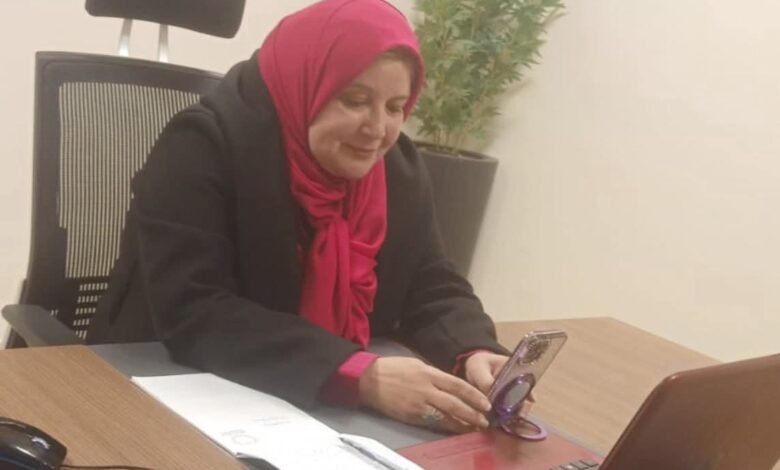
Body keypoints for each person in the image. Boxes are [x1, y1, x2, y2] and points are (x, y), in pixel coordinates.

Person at [87, 0, 525, 434]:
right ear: (306, 84)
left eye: (395, 107)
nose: (377, 130)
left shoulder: (395, 168)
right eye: (355, 100)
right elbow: (196, 311)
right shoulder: (202, 144)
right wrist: (361, 375)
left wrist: (473, 349)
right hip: (161, 389)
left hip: (306, 410)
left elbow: (429, 283)